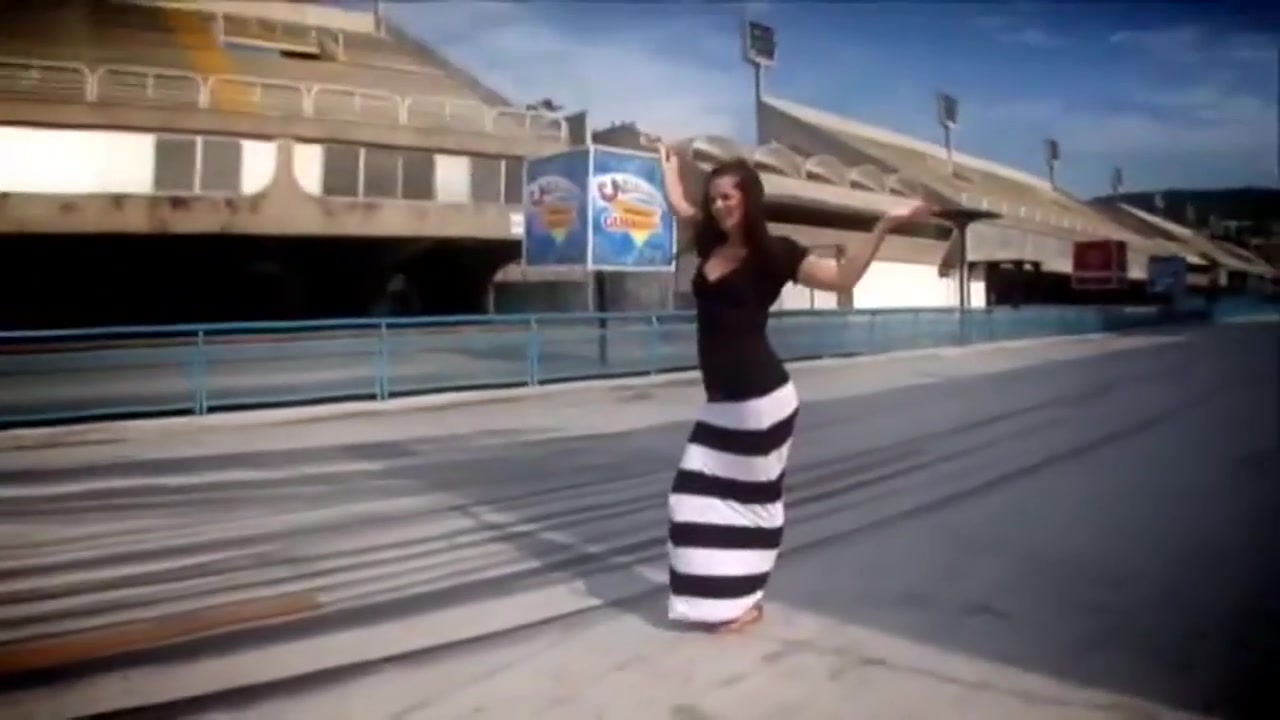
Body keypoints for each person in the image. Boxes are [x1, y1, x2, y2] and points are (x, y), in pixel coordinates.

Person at [658, 144, 935, 633]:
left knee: (754, 504)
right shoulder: (708, 242)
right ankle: (720, 600)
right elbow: (682, 208)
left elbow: (843, 278)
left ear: (749, 198)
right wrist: (670, 173)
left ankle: (746, 601)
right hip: (721, 403)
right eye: (714, 198)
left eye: (728, 196)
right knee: (689, 500)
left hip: (762, 402)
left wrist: (885, 225)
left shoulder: (776, 253)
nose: (719, 205)